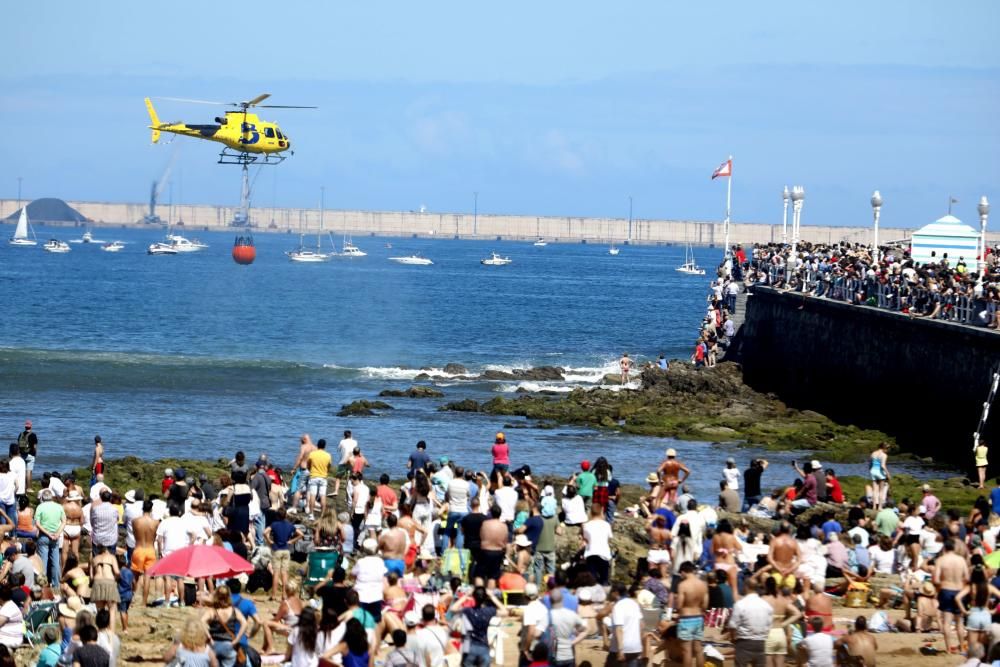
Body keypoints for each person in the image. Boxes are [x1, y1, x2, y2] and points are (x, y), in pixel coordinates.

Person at [451, 586, 508, 667]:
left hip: (470, 647)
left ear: (473, 597)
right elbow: (505, 612)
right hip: (483, 647)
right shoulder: (488, 611)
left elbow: (453, 608)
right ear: (485, 598)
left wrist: (466, 595)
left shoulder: (468, 611)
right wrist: (492, 596)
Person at [934, 539, 969, 654]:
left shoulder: (941, 560)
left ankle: (948, 648)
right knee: (960, 622)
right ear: (954, 548)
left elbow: (936, 579)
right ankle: (963, 648)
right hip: (959, 591)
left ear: (944, 548)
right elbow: (967, 578)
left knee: (947, 622)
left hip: (946, 590)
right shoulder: (961, 560)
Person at [728, 580, 773, 667]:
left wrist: (733, 638)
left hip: (744, 641)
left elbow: (733, 625)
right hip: (760, 642)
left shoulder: (740, 604)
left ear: (746, 587)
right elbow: (769, 626)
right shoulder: (766, 605)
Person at [202, 585, 248, 667]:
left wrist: (209, 637)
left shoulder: (212, 611)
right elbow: (244, 623)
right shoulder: (234, 611)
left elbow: (201, 621)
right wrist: (237, 639)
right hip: (228, 645)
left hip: (213, 645)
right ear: (228, 596)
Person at [265, 508, 303, 601]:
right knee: (285, 573)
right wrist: (291, 541)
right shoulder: (290, 525)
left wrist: (269, 541)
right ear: (285, 515)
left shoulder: (274, 524)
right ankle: (284, 595)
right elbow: (301, 534)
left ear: (277, 515)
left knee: (276, 573)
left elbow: (265, 532)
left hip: (277, 549)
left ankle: (273, 595)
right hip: (286, 550)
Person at [676, 561, 709, 667]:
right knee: (698, 649)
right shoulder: (703, 585)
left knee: (687, 651)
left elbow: (679, 606)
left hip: (686, 618)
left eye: (681, 573)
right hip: (699, 617)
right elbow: (705, 605)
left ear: (683, 571)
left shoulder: (682, 585)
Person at [34, 488, 65, 587]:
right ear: (52, 497)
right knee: (55, 562)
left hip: (44, 536)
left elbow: (37, 524)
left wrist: (48, 534)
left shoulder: (40, 507)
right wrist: (57, 533)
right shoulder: (59, 506)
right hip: (55, 537)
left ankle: (43, 585)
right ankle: (56, 585)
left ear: (42, 498)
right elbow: (64, 521)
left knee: (43, 562)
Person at [582, 502, 612, 586]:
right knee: (604, 579)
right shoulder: (606, 525)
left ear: (591, 512)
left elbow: (586, 539)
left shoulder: (586, 525)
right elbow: (608, 539)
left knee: (592, 580)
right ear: (602, 511)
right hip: (604, 554)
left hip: (590, 554)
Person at [306, 440, 333, 519]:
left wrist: (311, 470)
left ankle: (311, 514)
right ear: (325, 446)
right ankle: (322, 514)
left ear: (317, 445)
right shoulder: (328, 455)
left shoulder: (312, 454)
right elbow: (329, 466)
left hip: (313, 476)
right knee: (323, 496)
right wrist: (326, 472)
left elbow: (308, 464)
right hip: (323, 477)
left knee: (312, 495)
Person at [335, 430, 357, 498]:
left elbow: (338, 449)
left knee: (338, 477)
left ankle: (336, 491)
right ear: (351, 435)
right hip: (351, 461)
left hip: (343, 461)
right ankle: (350, 491)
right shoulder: (355, 442)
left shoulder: (342, 441)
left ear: (344, 436)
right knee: (351, 477)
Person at [16, 419, 37, 488]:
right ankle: (29, 487)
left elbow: (18, 444)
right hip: (30, 455)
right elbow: (34, 446)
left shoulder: (20, 434)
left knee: (23, 472)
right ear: (31, 426)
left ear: (25, 427)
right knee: (29, 471)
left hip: (22, 455)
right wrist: (35, 454)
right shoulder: (33, 435)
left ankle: (23, 486)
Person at [869, 443, 890, 512]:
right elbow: (883, 466)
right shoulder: (884, 455)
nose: (887, 450)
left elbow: (870, 464)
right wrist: (888, 474)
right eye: (887, 448)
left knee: (874, 490)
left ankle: (874, 506)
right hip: (880, 472)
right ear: (884, 448)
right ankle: (880, 507)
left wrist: (870, 470)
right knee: (881, 491)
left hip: (873, 471)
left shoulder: (873, 453)